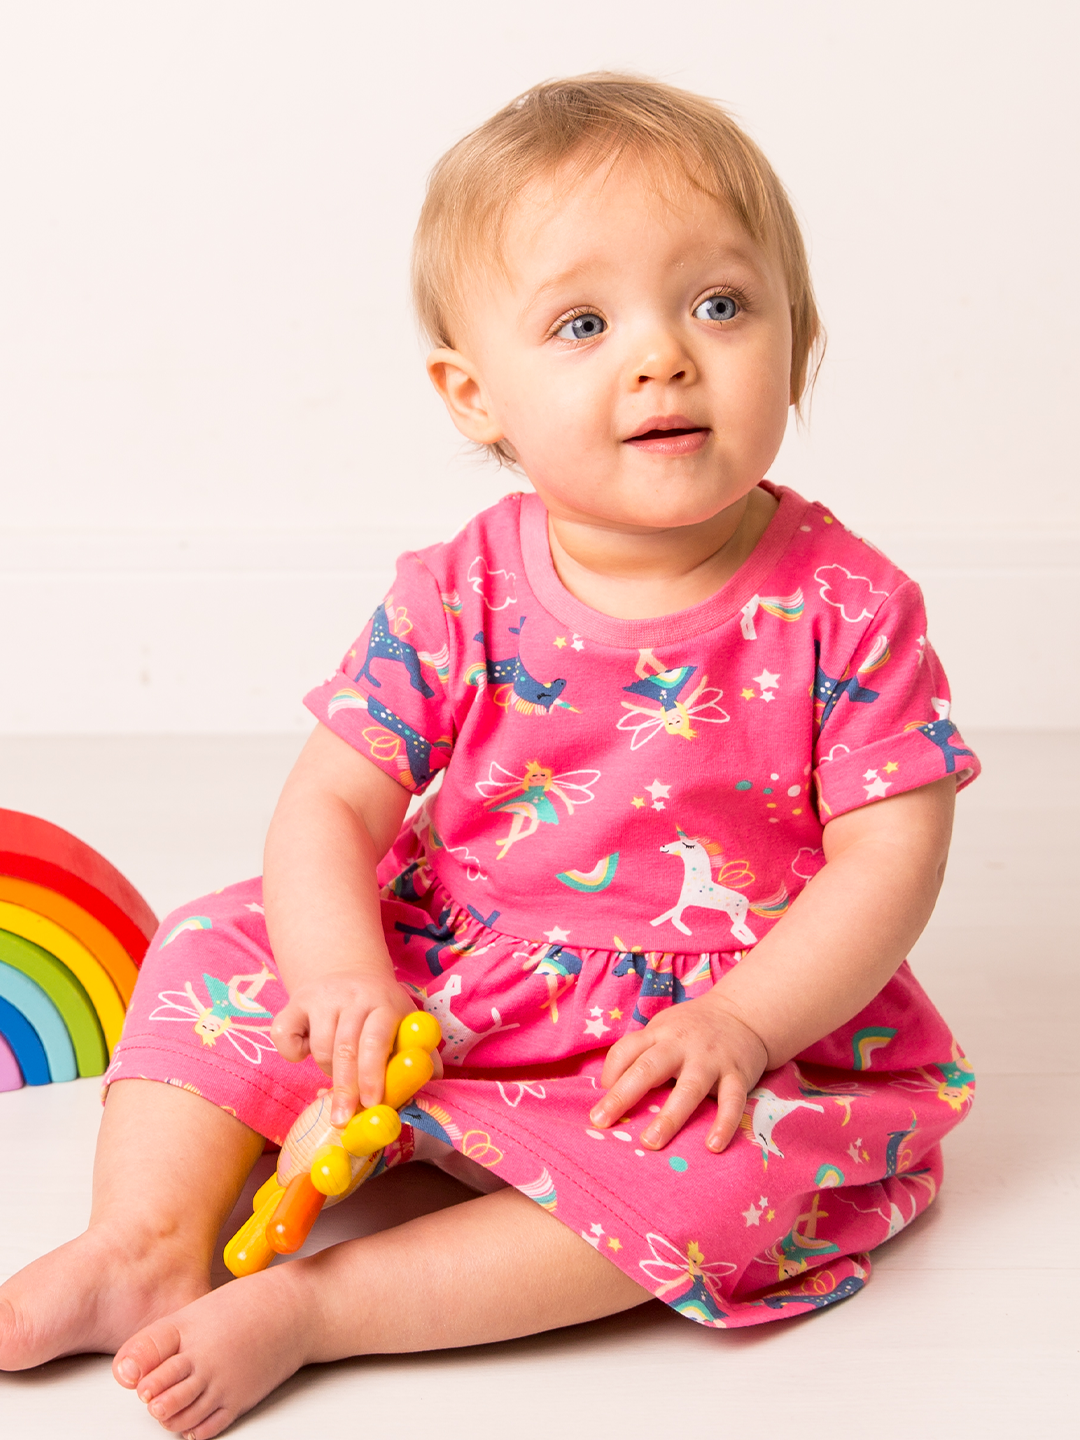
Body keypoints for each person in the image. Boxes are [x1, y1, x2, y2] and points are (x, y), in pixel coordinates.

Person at [0, 74, 978, 1438]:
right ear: (476, 396)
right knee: (217, 940)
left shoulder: (849, 604)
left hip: (687, 1029)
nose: (663, 358)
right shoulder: (459, 586)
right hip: (444, 961)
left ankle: (328, 1308)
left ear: (798, 339)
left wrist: (748, 1024)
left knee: (732, 1182)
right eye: (584, 324)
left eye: (719, 305)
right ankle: (144, 1240)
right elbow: (332, 805)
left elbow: (891, 858)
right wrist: (342, 976)